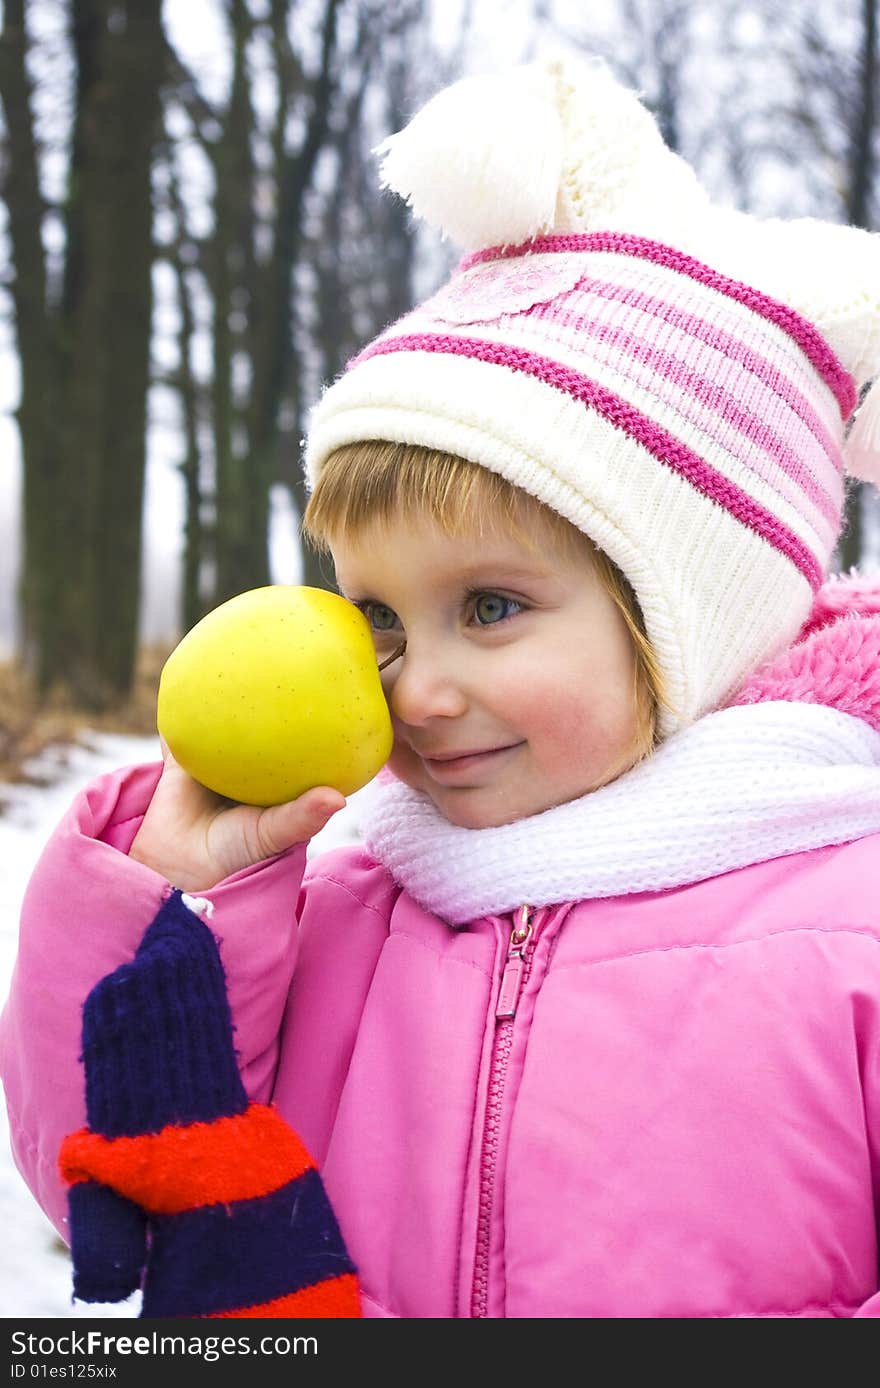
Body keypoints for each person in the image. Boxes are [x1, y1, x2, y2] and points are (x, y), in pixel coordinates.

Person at [3, 52, 880, 1318]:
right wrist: (167, 907)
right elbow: (113, 1177)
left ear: (697, 617)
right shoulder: (348, 905)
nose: (415, 690)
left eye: (490, 606)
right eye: (378, 618)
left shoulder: (849, 913)